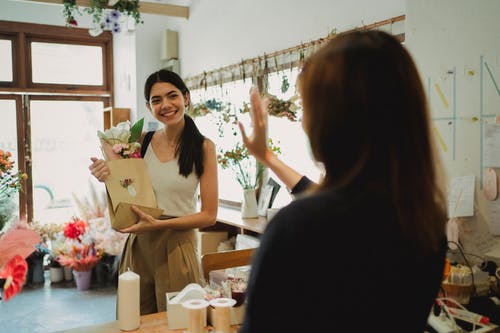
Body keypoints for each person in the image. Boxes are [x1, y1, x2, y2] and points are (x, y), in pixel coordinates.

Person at [238, 30, 448, 332]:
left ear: (333, 120)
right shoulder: (424, 219)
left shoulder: (297, 228)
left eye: (306, 106)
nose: (303, 121)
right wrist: (267, 157)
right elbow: (330, 198)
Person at [89, 69, 218, 315]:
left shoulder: (204, 147)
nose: (166, 105)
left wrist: (158, 225)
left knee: (179, 322)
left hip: (177, 245)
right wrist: (106, 174)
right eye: (156, 100)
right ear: (149, 107)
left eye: (172, 96)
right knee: (135, 319)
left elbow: (209, 215)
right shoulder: (141, 142)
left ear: (186, 98)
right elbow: (128, 187)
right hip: (139, 246)